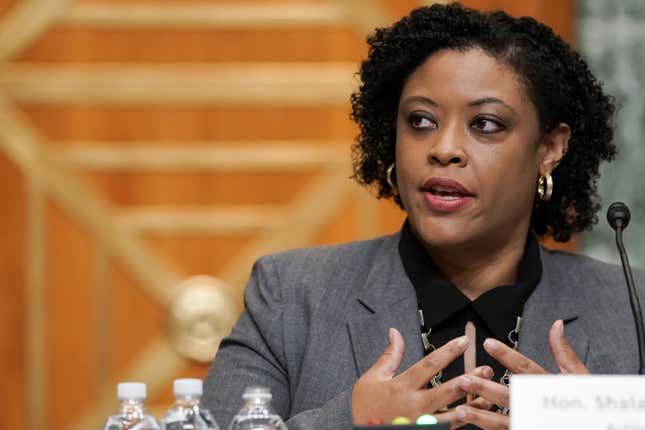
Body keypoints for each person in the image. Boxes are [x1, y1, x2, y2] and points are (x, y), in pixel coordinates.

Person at [203, 3, 645, 429]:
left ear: (548, 149)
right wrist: (351, 423)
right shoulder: (290, 297)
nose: (444, 148)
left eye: (485, 124)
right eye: (421, 121)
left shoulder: (632, 309)